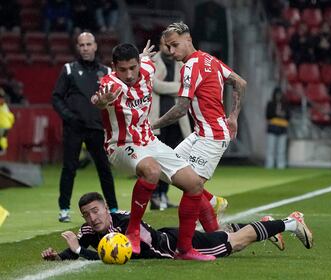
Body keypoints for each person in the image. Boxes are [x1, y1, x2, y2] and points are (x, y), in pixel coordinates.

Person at [90, 42, 219, 261]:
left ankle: (185, 250)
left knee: (194, 184)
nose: (129, 74)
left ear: (139, 64)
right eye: (122, 69)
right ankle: (132, 231)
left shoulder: (148, 67)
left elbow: (146, 60)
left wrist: (144, 56)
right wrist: (100, 102)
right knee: (151, 170)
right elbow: (98, 98)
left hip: (149, 141)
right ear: (114, 67)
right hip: (120, 145)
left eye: (133, 67)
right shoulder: (110, 83)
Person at [152, 22, 247, 222]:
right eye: (168, 46)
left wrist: (151, 126)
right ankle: (213, 203)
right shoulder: (210, 60)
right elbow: (240, 82)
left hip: (212, 136)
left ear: (189, 39)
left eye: (175, 45)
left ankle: (206, 233)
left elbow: (180, 109)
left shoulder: (190, 67)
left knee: (191, 188)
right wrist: (233, 117)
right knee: (165, 170)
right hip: (200, 134)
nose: (170, 51)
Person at [41, 192, 314, 261]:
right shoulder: (90, 230)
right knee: (222, 234)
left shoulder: (124, 224)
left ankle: (290, 223)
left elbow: (129, 256)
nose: (92, 218)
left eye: (96, 210)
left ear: (105, 208)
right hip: (170, 237)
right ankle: (268, 225)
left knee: (234, 242)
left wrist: (78, 253)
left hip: (173, 246)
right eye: (87, 214)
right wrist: (60, 256)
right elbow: (81, 245)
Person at [52, 32, 119, 223]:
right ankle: (64, 209)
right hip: (74, 128)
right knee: (69, 168)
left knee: (104, 169)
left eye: (89, 44)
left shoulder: (106, 72)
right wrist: (69, 117)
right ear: (77, 47)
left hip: (97, 128)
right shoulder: (69, 69)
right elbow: (56, 97)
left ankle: (113, 208)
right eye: (82, 45)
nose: (85, 48)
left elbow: (114, 99)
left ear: (95, 46)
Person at [148, 36, 192, 210]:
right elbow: (154, 85)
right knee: (156, 160)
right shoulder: (152, 61)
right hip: (157, 120)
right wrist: (179, 87)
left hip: (176, 119)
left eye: (171, 45)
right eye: (165, 45)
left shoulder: (181, 63)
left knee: (172, 158)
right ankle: (154, 195)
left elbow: (187, 86)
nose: (169, 48)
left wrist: (176, 87)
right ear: (160, 45)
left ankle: (164, 195)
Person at [265, 87, 290, 169]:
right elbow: (268, 115)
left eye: (280, 94)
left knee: (281, 150)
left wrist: (282, 114)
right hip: (272, 128)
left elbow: (289, 116)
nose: (278, 96)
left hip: (282, 129)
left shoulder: (285, 105)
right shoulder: (270, 104)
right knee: (271, 149)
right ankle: (269, 165)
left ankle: (281, 166)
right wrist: (277, 114)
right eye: (277, 94)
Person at [0, 88, 15, 154]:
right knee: (3, 137)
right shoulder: (5, 107)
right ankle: (2, 149)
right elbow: (11, 117)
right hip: (5, 125)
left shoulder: (3, 106)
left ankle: (2, 149)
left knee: (3, 137)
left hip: (2, 125)